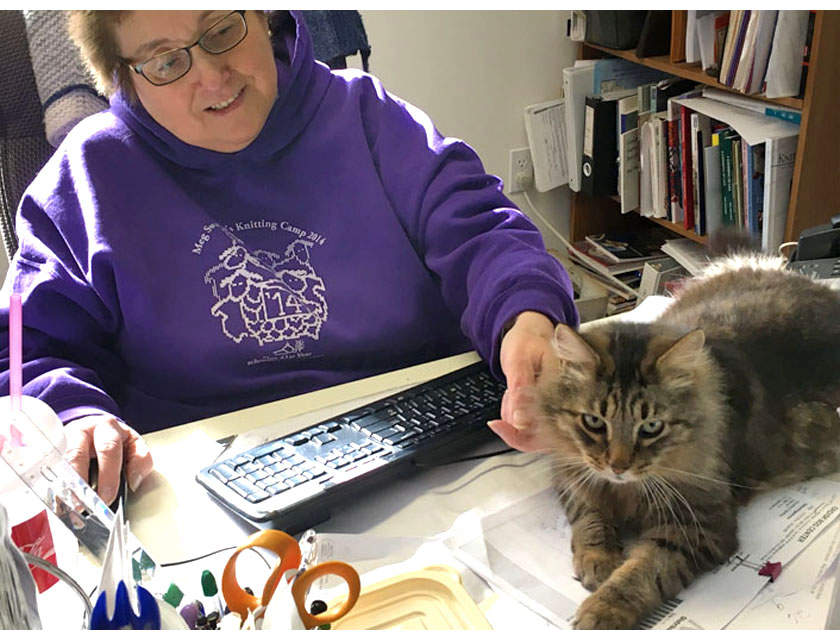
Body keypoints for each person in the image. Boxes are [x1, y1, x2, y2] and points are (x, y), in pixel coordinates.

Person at [0, 10, 577, 505]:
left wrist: (524, 316)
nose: (211, 75)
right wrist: (74, 417)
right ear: (122, 79)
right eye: (165, 61)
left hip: (430, 452)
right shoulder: (88, 176)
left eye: (222, 29)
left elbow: (483, 232)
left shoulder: (366, 115)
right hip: (199, 494)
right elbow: (27, 348)